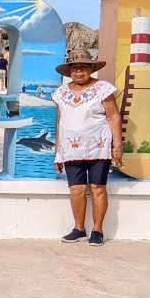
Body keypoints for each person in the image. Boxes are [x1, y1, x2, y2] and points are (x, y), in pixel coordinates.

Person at [52, 49, 124, 246]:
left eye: (83, 67)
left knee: (97, 187)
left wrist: (117, 145)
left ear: (91, 68)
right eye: (75, 68)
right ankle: (78, 228)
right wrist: (58, 151)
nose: (79, 72)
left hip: (98, 147)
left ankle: (98, 230)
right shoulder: (61, 93)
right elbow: (61, 121)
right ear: (69, 72)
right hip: (71, 149)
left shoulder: (103, 89)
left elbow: (113, 117)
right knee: (76, 188)